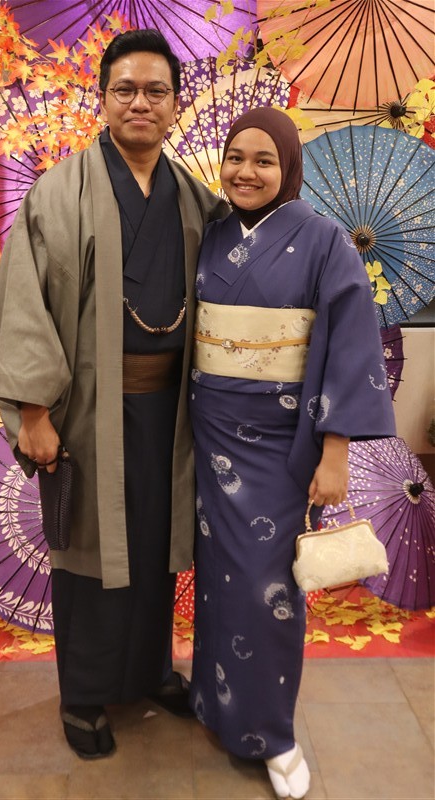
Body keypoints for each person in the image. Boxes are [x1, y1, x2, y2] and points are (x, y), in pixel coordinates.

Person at [0, 29, 228, 760]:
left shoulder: (194, 199)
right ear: (102, 98)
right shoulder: (59, 192)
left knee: (155, 546)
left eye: (156, 90)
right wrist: (33, 412)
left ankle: (151, 670)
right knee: (91, 555)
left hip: (173, 413)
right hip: (88, 410)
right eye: (125, 89)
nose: (140, 103)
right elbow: (21, 305)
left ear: (176, 104)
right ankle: (85, 694)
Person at [188, 108, 396, 800]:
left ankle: (273, 735)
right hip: (211, 431)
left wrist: (334, 453)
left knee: (267, 587)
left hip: (281, 445)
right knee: (220, 583)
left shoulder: (324, 241)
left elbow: (350, 349)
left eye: (263, 160)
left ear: (288, 167)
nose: (245, 172)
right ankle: (216, 703)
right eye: (235, 158)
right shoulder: (213, 235)